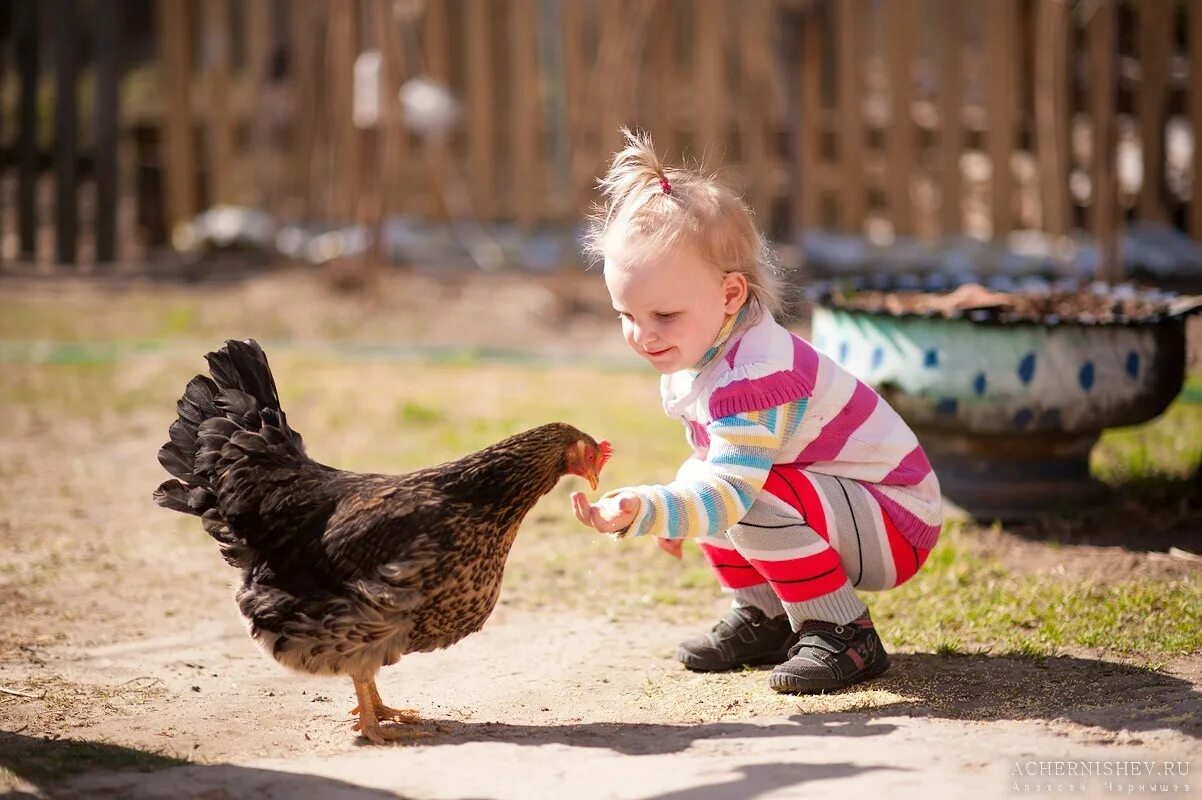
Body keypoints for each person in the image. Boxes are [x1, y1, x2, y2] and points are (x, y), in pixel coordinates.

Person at [570, 129, 943, 693]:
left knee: (738, 492)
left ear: (730, 295)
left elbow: (730, 495)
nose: (643, 336)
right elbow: (716, 468)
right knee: (707, 478)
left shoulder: (757, 376)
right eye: (626, 313)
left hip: (896, 519)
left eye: (664, 315)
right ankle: (769, 617)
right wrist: (677, 503)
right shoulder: (707, 351)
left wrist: (651, 508)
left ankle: (844, 631)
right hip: (844, 509)